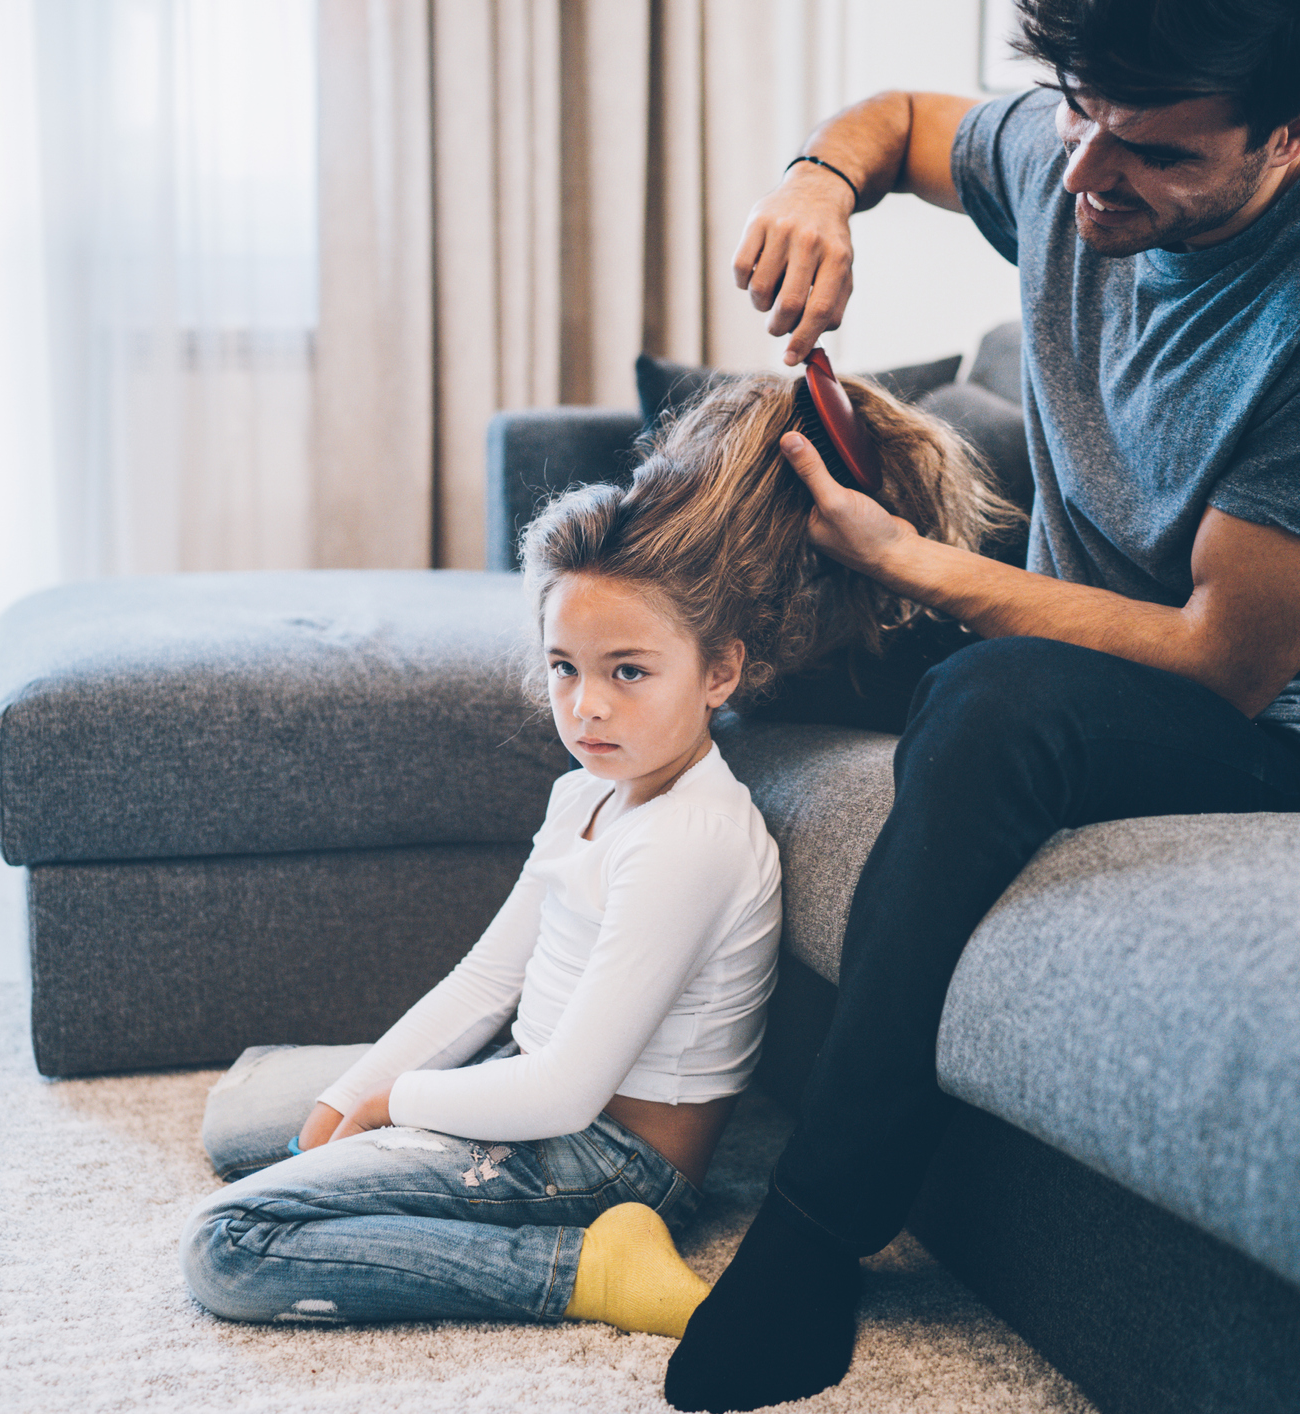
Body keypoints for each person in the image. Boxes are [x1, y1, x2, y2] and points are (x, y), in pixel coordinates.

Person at [661, 2, 1300, 1410]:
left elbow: (1220, 655)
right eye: (1078, 114)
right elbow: (914, 126)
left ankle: (816, 1227)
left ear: (1298, 131)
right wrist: (820, 177)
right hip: (1070, 650)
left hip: (1270, 735)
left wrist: (922, 567)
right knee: (741, 634)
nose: (1093, 172)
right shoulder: (1079, 148)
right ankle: (625, 1066)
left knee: (988, 704)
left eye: (1155, 151)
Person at [181, 374, 1015, 1336]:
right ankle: (365, 1134)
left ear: (721, 673)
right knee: (249, 1122)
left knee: (233, 1243)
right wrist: (345, 1099)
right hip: (532, 1080)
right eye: (564, 669)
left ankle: (583, 1268)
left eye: (629, 673)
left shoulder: (688, 839)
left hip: (610, 1159)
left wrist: (389, 1106)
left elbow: (568, 1088)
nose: (587, 708)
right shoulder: (584, 793)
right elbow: (487, 978)